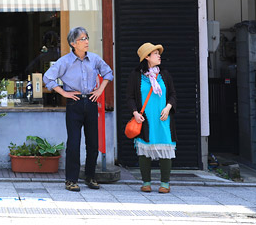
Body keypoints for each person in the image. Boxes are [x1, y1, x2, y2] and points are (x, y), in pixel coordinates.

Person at [42, 27, 113, 192]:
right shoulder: (65, 61)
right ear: (73, 43)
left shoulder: (94, 59)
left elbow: (108, 73)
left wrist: (100, 90)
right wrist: (64, 93)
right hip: (74, 104)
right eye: (82, 39)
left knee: (92, 142)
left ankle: (90, 176)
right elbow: (48, 77)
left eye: (87, 38)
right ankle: (71, 180)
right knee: (73, 143)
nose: (87, 41)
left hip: (91, 101)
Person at [126, 43, 177, 194]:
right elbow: (129, 97)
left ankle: (165, 183)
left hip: (163, 119)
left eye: (158, 53)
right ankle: (146, 182)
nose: (159, 56)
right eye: (155, 53)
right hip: (145, 120)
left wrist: (168, 108)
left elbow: (173, 95)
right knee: (144, 150)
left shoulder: (165, 75)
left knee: (166, 147)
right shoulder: (136, 76)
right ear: (147, 57)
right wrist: (135, 113)